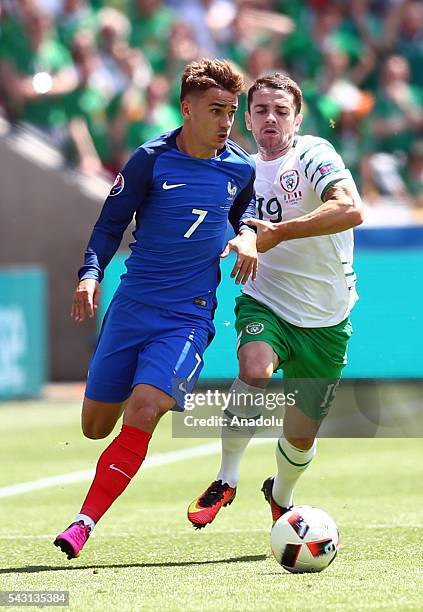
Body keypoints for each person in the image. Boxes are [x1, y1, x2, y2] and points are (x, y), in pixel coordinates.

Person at [54, 58, 258, 559]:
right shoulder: (149, 160)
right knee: (95, 427)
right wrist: (89, 274)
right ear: (187, 109)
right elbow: (109, 226)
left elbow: (248, 215)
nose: (226, 123)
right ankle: (139, 385)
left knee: (144, 407)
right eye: (217, 111)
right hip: (131, 309)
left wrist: (249, 237)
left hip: (188, 316)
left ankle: (83, 523)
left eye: (232, 112)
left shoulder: (240, 168)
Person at [187, 73, 363, 529]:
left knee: (301, 437)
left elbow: (351, 208)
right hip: (265, 299)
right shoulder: (238, 169)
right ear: (247, 118)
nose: (270, 119)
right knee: (254, 370)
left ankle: (280, 494)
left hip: (326, 316)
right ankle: (226, 478)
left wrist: (279, 232)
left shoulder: (314, 155)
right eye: (261, 110)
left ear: (297, 119)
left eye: (281, 111)